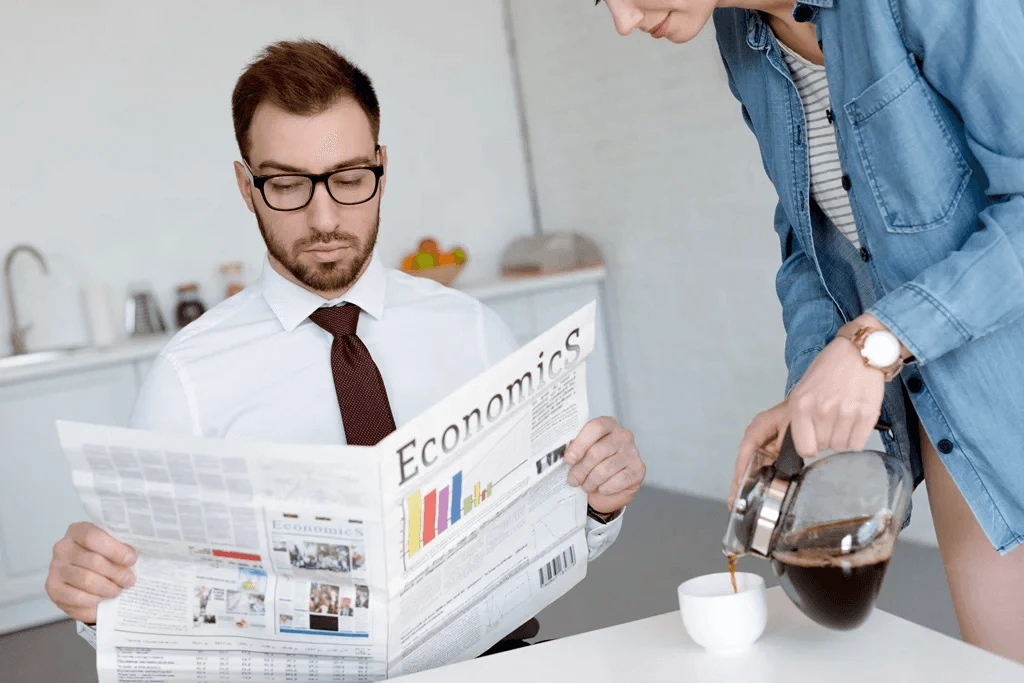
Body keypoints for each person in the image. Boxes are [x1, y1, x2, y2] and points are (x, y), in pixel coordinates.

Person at [44, 39, 646, 652]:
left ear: (382, 167)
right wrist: (95, 603)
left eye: (350, 179)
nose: (324, 219)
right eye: (286, 185)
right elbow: (148, 602)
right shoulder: (185, 380)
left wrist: (600, 504)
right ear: (246, 186)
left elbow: (550, 530)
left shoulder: (472, 329)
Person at [599, 0, 1024, 663]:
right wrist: (812, 396)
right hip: (963, 426)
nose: (624, 21)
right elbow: (812, 238)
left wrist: (878, 342)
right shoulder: (742, 36)